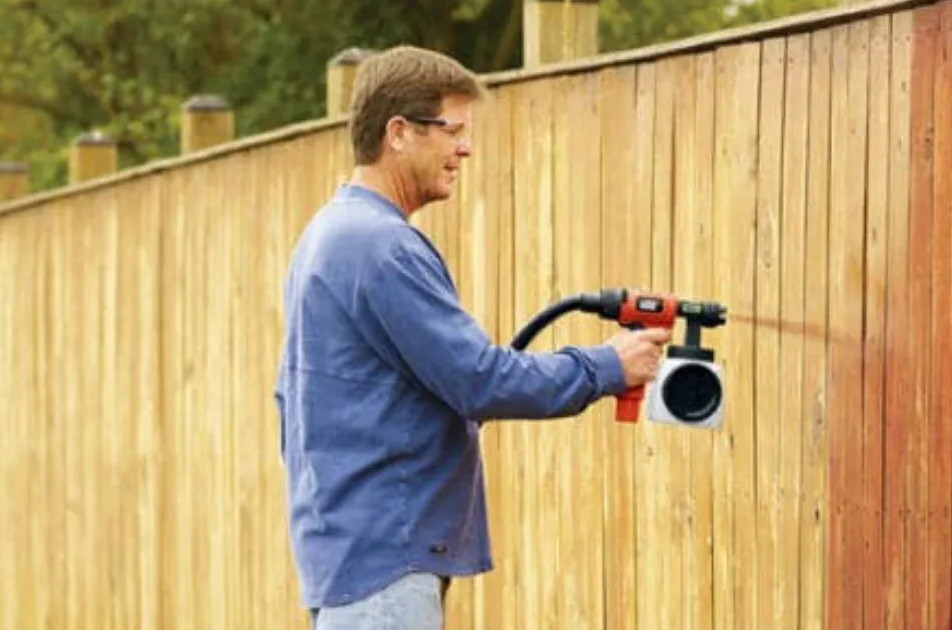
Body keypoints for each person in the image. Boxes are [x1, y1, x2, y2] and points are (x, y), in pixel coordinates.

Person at [273, 45, 670, 629]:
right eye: (452, 130)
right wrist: (609, 365)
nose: (465, 148)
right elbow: (479, 380)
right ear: (399, 132)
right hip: (386, 566)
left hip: (353, 558)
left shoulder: (328, 234)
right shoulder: (380, 247)